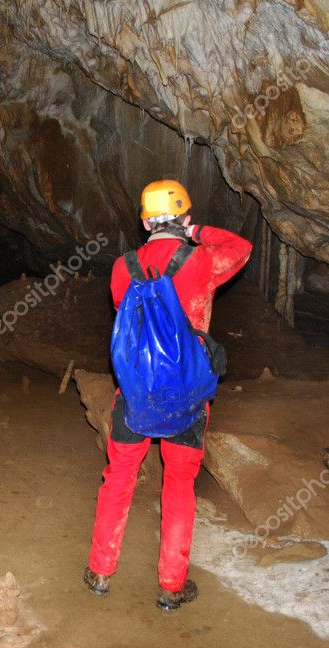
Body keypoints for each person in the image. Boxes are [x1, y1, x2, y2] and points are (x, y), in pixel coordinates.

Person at [84, 180, 252, 611]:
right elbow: (241, 247)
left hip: (136, 390)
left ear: (143, 222)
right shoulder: (202, 259)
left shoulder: (122, 267)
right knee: (179, 484)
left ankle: (101, 572)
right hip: (187, 395)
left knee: (118, 477)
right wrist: (194, 234)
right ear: (185, 217)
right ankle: (171, 586)